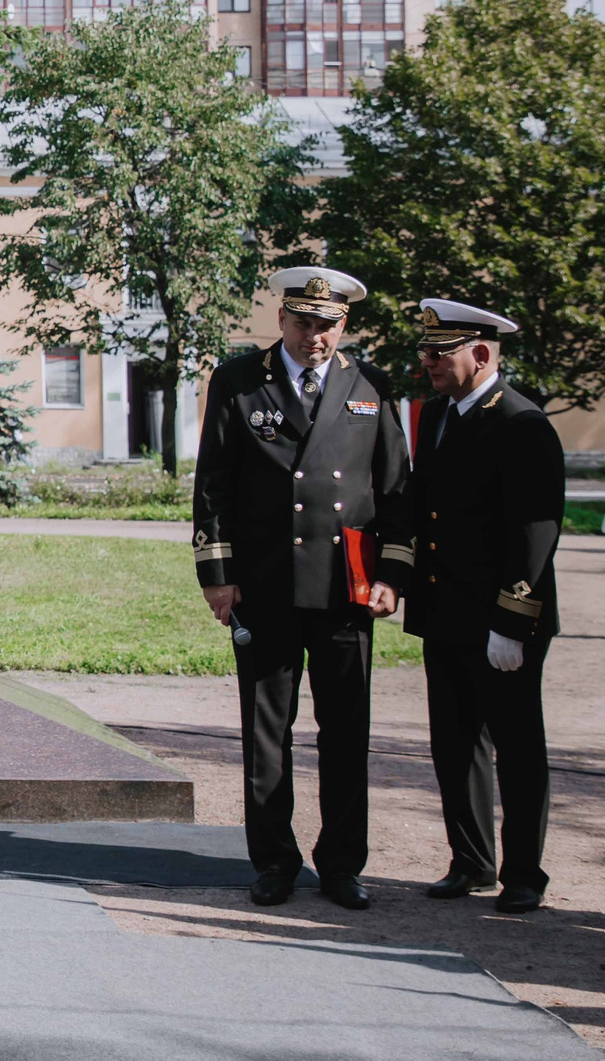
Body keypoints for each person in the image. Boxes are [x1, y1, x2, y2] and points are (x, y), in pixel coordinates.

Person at [191, 266, 409, 910]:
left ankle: (342, 864)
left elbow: (395, 488)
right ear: (281, 320)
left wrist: (393, 575)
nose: (315, 336)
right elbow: (213, 487)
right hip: (263, 585)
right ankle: (275, 863)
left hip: (348, 588)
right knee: (267, 733)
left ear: (344, 326)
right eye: (304, 322)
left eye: (328, 325)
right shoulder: (238, 380)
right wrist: (218, 577)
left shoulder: (369, 383)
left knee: (346, 732)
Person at [378, 300, 563, 915]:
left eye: (440, 351)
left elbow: (534, 534)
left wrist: (512, 621)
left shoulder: (521, 422)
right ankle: (472, 860)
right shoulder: (435, 415)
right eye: (425, 351)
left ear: (480, 354)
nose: (427, 362)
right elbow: (421, 506)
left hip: (502, 616)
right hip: (446, 610)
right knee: (454, 743)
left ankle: (524, 874)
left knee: (516, 744)